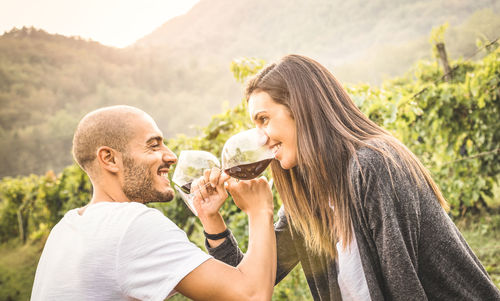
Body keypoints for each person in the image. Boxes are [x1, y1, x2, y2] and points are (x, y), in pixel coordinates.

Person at [193, 55, 500, 300]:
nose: (259, 139)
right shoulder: (308, 196)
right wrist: (213, 220)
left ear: (302, 109)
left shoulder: (371, 165)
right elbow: (250, 283)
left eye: (264, 120)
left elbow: (403, 289)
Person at [31, 105, 276, 301]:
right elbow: (251, 295)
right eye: (153, 145)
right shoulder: (131, 225)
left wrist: (210, 218)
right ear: (109, 159)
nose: (170, 156)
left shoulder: (66, 228)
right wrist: (260, 210)